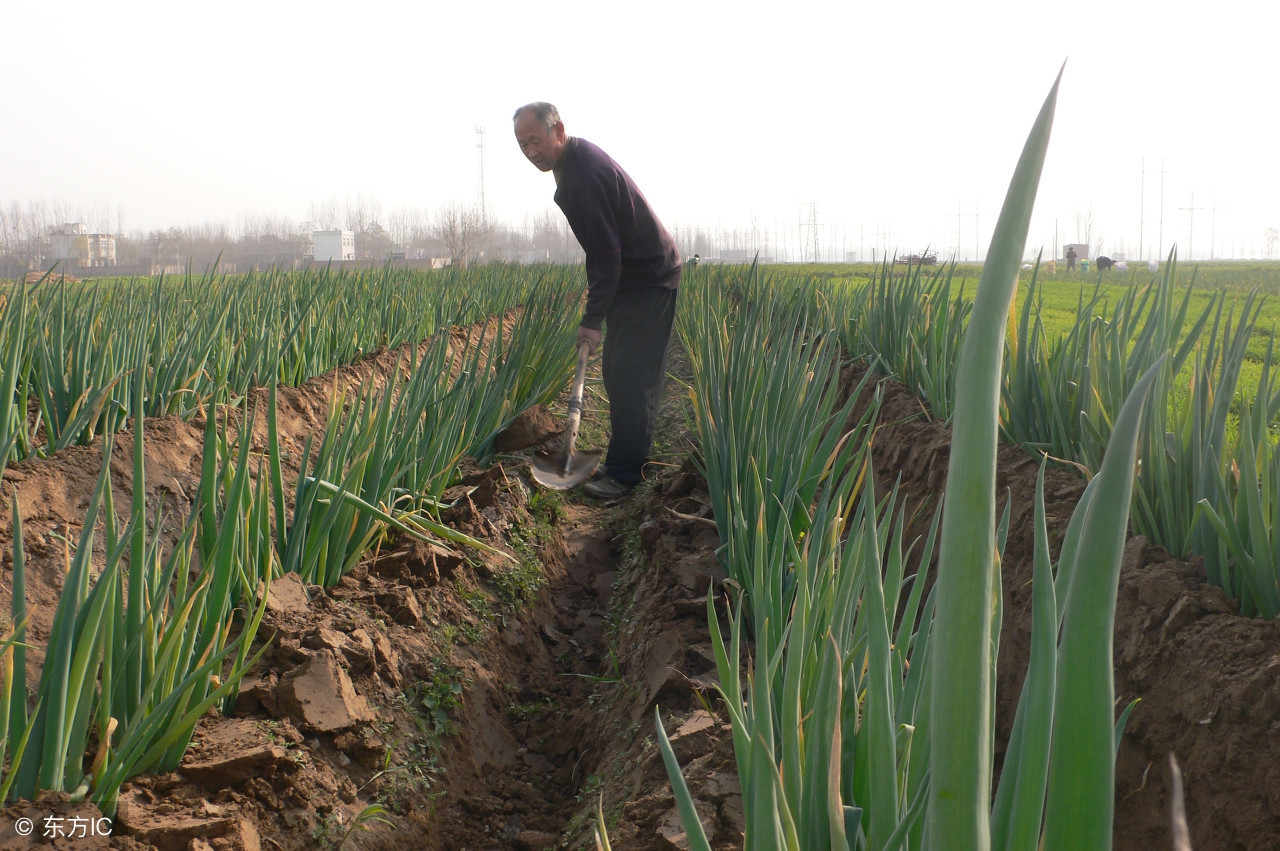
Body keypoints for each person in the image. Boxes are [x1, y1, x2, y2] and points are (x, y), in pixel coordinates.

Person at [513, 102, 681, 499]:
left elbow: (606, 255)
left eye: (535, 141)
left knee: (631, 378)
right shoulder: (573, 165)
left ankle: (626, 476)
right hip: (632, 281)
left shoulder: (582, 176)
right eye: (522, 145)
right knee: (618, 373)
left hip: (649, 279)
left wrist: (592, 319)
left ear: (558, 131)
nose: (530, 152)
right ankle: (626, 459)